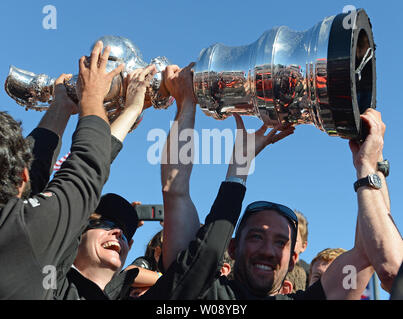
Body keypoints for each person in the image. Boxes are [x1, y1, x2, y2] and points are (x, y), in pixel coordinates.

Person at [141, 99, 401, 299]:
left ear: (294, 259)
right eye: (256, 236)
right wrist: (187, 103)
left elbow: (369, 251)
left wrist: (369, 164)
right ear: (232, 248)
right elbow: (175, 192)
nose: (268, 251)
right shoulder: (199, 291)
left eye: (281, 242)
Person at [0, 40, 123, 299]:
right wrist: (91, 97)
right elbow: (87, 168)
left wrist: (62, 106)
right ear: (23, 178)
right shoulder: (21, 234)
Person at [53, 54, 162, 299]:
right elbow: (84, 175)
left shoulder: (120, 291)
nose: (118, 234)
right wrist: (128, 109)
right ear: (77, 230)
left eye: (124, 232)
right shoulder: (49, 283)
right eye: (105, 224)